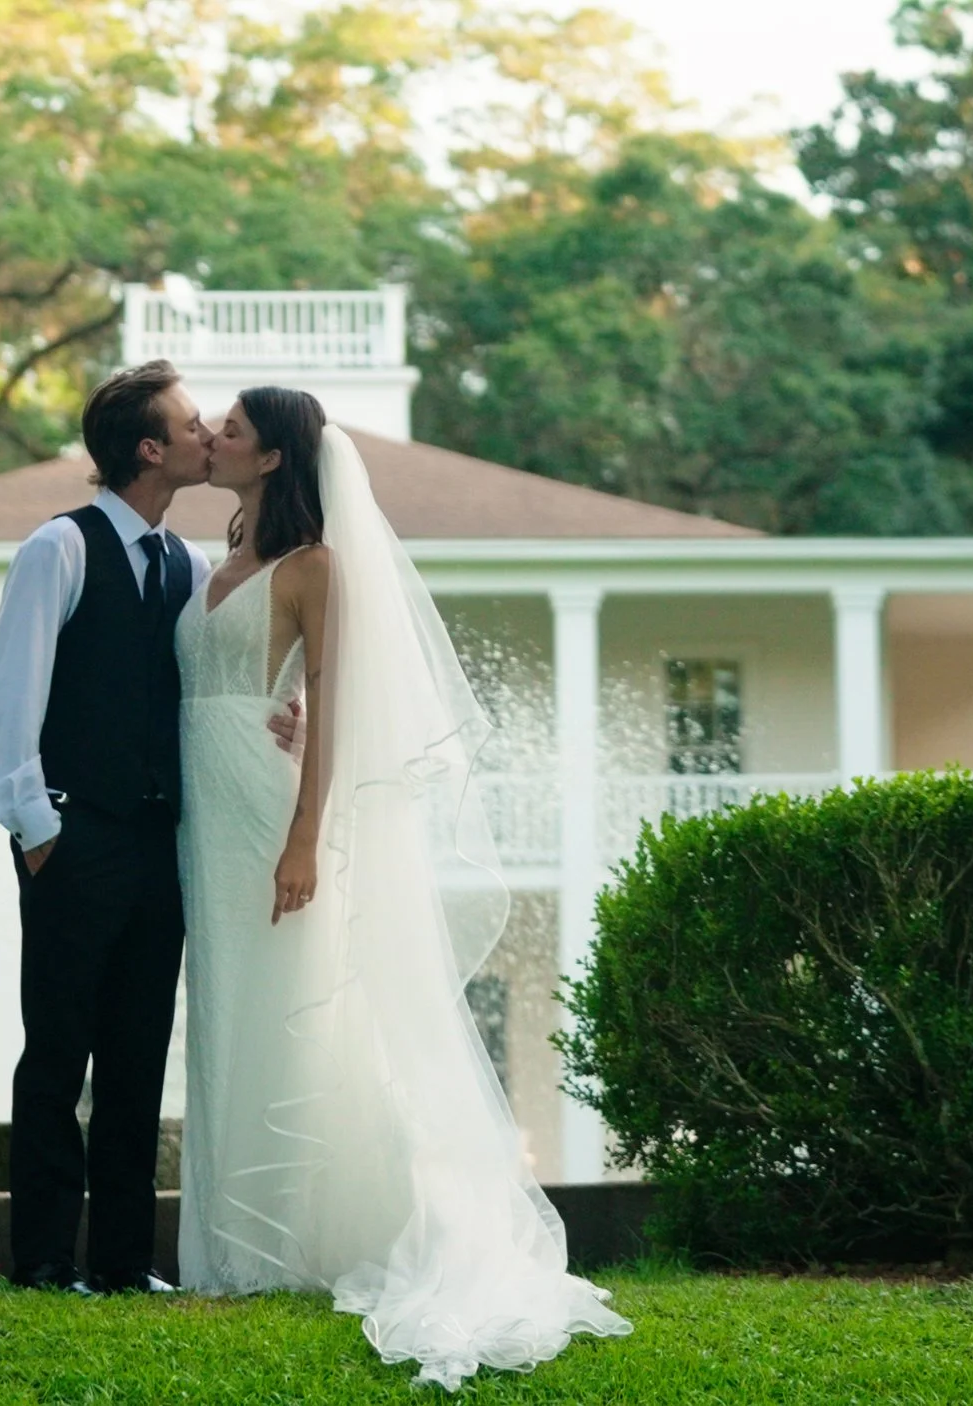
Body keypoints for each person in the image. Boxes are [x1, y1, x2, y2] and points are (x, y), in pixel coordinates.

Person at [174, 387, 633, 1388]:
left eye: (235, 431)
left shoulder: (315, 568)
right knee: (217, 1010)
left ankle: (274, 1246)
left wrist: (305, 831)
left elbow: (332, 696)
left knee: (282, 1010)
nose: (216, 438)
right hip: (197, 814)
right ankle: (224, 1246)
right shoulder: (215, 567)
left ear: (275, 460)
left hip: (262, 813)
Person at [0, 359, 211, 1295]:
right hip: (74, 841)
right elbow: (10, 696)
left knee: (137, 1055)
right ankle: (39, 1260)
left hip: (162, 848)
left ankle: (121, 1261)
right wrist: (38, 830)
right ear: (149, 448)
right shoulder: (58, 549)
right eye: (192, 424)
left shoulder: (187, 564)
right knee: (57, 1052)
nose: (207, 433)